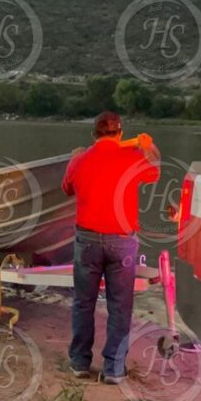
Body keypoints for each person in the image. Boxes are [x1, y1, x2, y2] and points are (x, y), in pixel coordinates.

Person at [61, 111, 161, 384]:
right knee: (120, 306)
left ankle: (80, 362)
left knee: (83, 302)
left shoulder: (80, 160)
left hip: (87, 240)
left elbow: (67, 189)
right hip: (122, 242)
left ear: (94, 134)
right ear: (120, 133)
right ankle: (114, 369)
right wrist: (147, 145)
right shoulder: (133, 158)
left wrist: (74, 158)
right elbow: (155, 172)